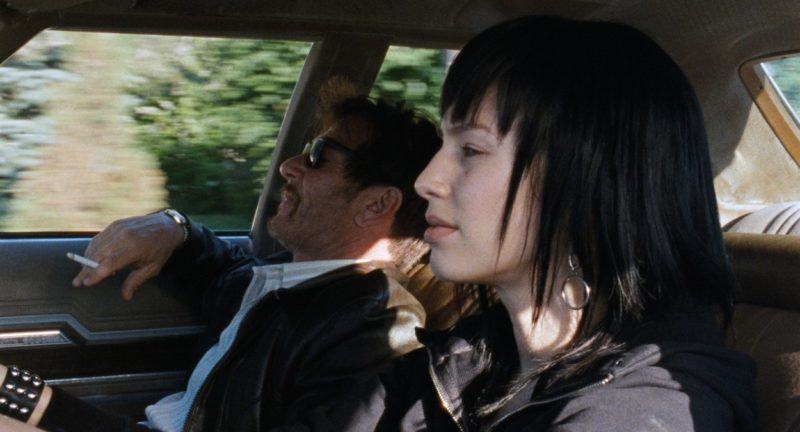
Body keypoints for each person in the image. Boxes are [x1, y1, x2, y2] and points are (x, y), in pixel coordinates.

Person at [343, 16, 757, 431]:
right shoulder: (464, 360)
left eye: (471, 149)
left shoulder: (639, 413)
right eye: (443, 144)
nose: (426, 181)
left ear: (586, 183)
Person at [0, 95, 444, 431]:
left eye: (317, 156)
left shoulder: (377, 330)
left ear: (376, 204)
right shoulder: (282, 281)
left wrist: (39, 407)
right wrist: (172, 225)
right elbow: (215, 265)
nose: (289, 167)